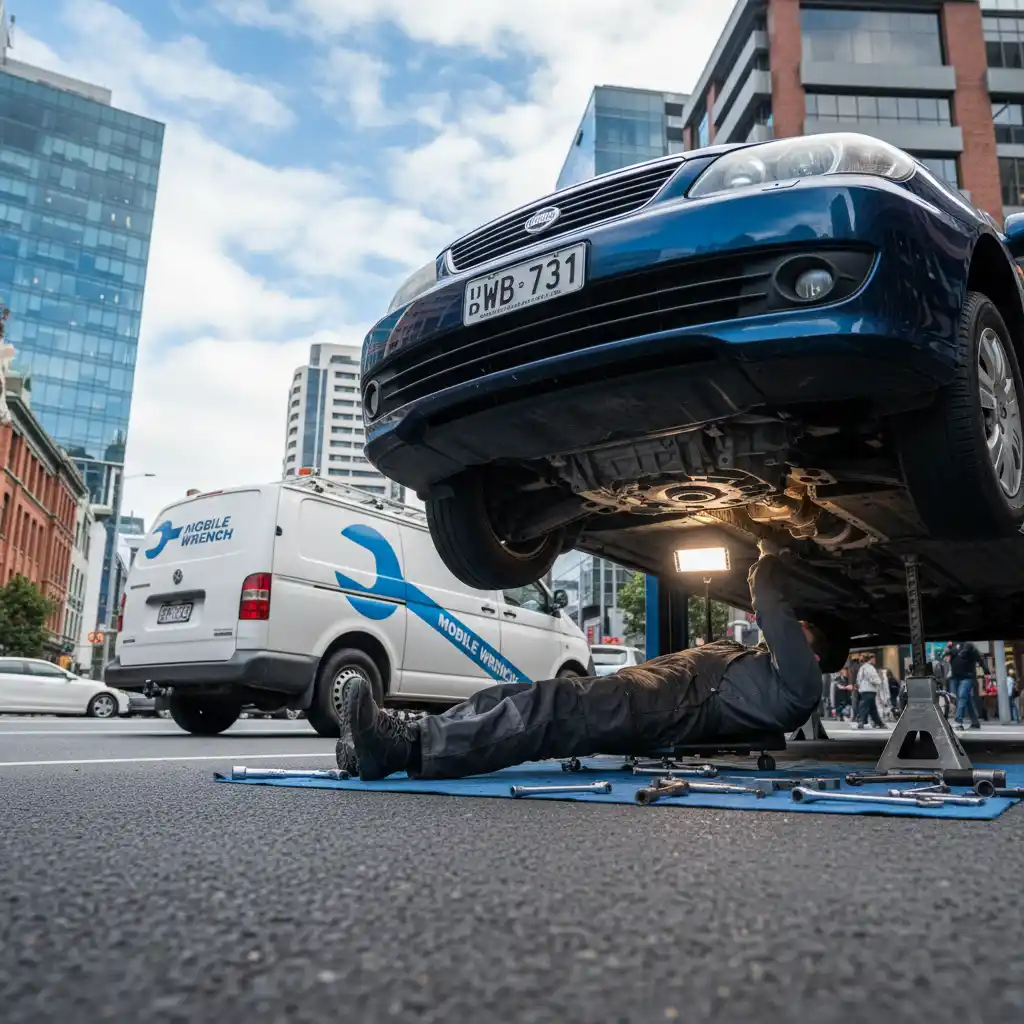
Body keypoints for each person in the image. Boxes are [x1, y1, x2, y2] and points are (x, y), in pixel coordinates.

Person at [337, 544, 831, 781]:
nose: (789, 630)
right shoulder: (765, 665)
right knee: (518, 696)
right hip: (659, 690)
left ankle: (408, 748)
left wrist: (771, 554)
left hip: (676, 703)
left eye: (799, 630)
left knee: (553, 710)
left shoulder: (800, 680)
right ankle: (387, 744)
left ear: (815, 650)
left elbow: (769, 602)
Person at [949, 641, 983, 731]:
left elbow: (979, 658)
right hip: (956, 677)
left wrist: (985, 669)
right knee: (966, 700)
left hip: (967, 677)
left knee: (962, 697)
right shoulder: (954, 645)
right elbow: (948, 655)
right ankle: (975, 722)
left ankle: (958, 721)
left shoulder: (970, 646)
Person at [854, 652, 886, 729]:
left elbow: (858, 680)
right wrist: (879, 681)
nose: (875, 661)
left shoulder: (862, 668)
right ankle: (861, 721)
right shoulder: (869, 668)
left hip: (863, 690)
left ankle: (879, 723)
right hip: (869, 690)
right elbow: (873, 678)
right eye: (874, 659)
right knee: (866, 707)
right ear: (871, 659)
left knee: (872, 708)